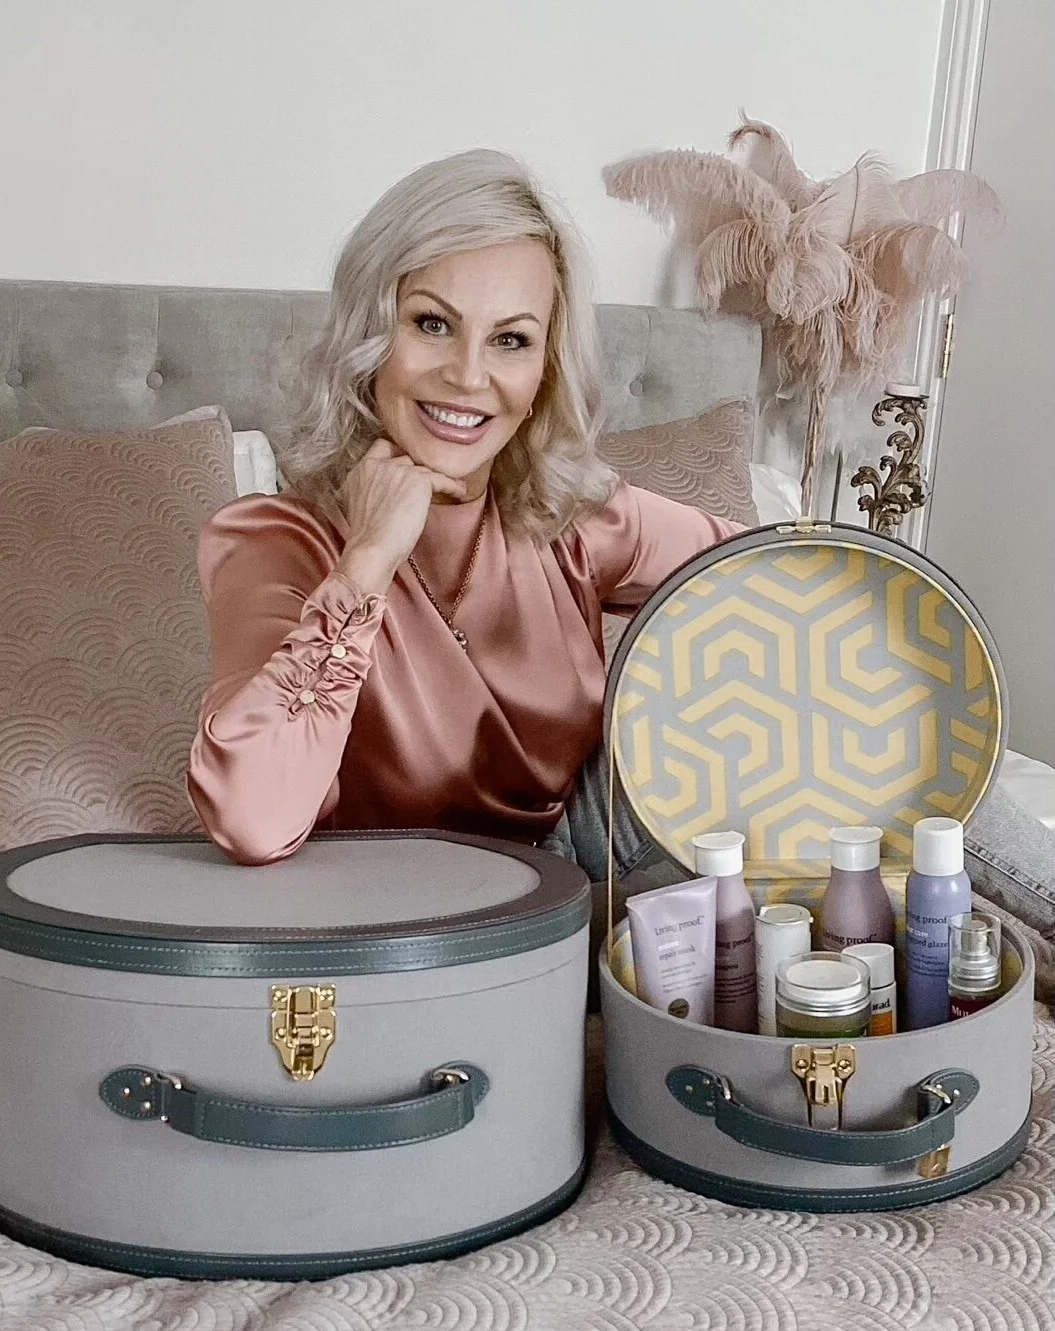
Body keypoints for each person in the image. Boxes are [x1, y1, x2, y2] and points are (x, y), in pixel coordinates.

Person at [186, 148, 1055, 968]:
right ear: (370, 336)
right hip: (412, 915)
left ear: (544, 371)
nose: (467, 375)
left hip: (586, 866)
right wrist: (369, 561)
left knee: (872, 733)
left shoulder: (567, 515)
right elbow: (254, 819)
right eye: (432, 324)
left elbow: (791, 584)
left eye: (510, 340)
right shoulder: (275, 541)